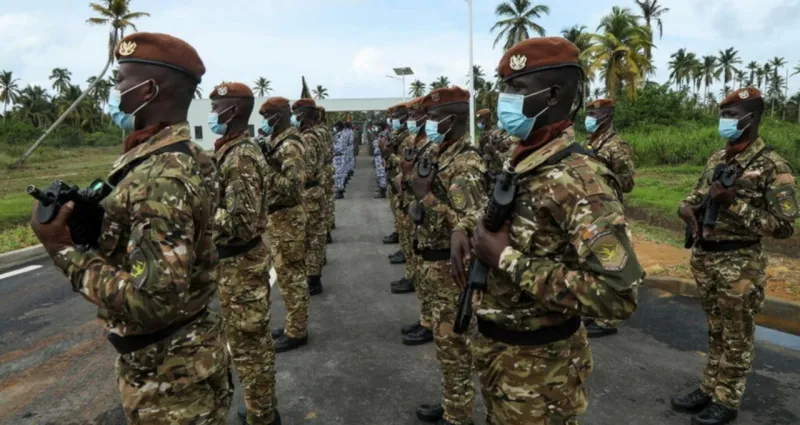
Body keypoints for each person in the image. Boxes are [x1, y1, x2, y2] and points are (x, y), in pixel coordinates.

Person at [29, 32, 232, 424]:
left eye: (120, 81)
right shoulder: (182, 156)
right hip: (183, 353)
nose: (114, 90)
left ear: (148, 90)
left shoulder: (161, 176)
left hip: (168, 376)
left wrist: (64, 251)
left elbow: (153, 303)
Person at [450, 37, 643, 425]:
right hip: (499, 357)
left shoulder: (581, 181)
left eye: (517, 88)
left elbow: (618, 295)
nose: (505, 98)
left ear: (551, 95)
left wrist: (507, 260)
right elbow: (511, 216)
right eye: (506, 86)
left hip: (541, 375)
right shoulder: (522, 159)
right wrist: (464, 226)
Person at [672, 87, 798, 425]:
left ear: (751, 117)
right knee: (716, 329)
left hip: (740, 262)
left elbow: (785, 228)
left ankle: (727, 400)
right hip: (706, 257)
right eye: (723, 114)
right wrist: (687, 208)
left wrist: (734, 204)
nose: (724, 121)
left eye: (731, 115)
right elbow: (695, 194)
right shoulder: (718, 158)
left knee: (737, 334)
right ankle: (709, 388)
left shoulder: (774, 166)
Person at [410, 87, 486, 425]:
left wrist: (425, 199)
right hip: (432, 262)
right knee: (446, 345)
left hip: (449, 266)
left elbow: (466, 224)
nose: (428, 122)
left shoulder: (466, 162)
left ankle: (458, 416)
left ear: (452, 119)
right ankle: (453, 403)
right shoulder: (442, 154)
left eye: (435, 117)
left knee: (454, 345)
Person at [208, 82, 279, 425]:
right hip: (234, 266)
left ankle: (262, 415)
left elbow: (241, 223)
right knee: (248, 343)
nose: (211, 115)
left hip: (242, 265)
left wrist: (201, 211)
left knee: (250, 346)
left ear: (232, 111)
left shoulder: (241, 157)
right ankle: (261, 408)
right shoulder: (231, 150)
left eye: (215, 108)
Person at [580, 98, 636, 338]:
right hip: (588, 212)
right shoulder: (587, 143)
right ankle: (595, 309)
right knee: (591, 262)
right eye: (589, 112)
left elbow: (628, 183)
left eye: (595, 113)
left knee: (611, 260)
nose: (590, 117)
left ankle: (608, 319)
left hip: (608, 212)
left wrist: (603, 177)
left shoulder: (616, 146)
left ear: (607, 116)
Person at [258, 96, 310, 353]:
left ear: (276, 117)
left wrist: (266, 170)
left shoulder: (290, 145)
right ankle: (293, 323)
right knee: (287, 274)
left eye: (265, 117)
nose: (263, 123)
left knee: (292, 276)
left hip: (288, 217)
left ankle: (297, 331)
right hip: (280, 218)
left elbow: (292, 186)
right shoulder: (277, 142)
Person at [395, 96, 434, 346]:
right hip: (418, 214)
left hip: (432, 222)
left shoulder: (431, 147)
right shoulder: (416, 142)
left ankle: (429, 323)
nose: (410, 121)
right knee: (423, 272)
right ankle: (426, 319)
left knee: (431, 276)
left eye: (414, 116)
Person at [293, 98, 326, 297]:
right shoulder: (308, 135)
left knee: (312, 238)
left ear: (304, 115)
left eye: (296, 113)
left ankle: (313, 279)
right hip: (312, 192)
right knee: (313, 236)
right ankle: (313, 275)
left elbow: (310, 169)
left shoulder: (308, 138)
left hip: (310, 193)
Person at [386, 103, 411, 263]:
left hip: (405, 183)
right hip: (396, 179)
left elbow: (405, 163)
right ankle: (402, 244)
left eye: (395, 117)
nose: (392, 120)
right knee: (399, 216)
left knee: (406, 220)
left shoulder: (408, 138)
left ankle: (406, 251)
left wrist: (390, 155)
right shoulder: (398, 135)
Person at [314, 106, 335, 243]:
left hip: (321, 168)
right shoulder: (325, 130)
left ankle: (325, 228)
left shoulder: (318, 132)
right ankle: (329, 223)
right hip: (326, 167)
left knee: (322, 201)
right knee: (327, 198)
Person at [476, 108, 513, 181]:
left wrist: (493, 149)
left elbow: (506, 158)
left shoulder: (499, 132)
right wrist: (481, 144)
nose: (478, 122)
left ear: (487, 118)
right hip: (487, 173)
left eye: (480, 119)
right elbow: (480, 153)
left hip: (499, 172)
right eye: (478, 120)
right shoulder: (482, 134)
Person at [372, 121, 389, 198]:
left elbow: (382, 145)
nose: (375, 128)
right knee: (379, 174)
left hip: (381, 156)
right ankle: (380, 188)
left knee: (382, 174)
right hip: (378, 156)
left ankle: (382, 191)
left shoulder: (385, 134)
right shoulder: (380, 134)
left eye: (376, 127)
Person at [333, 121, 347, 198]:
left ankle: (339, 191)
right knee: (337, 175)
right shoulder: (339, 135)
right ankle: (339, 190)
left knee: (338, 175)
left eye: (335, 127)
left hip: (339, 157)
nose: (334, 128)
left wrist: (332, 148)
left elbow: (340, 147)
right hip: (338, 157)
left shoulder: (340, 135)